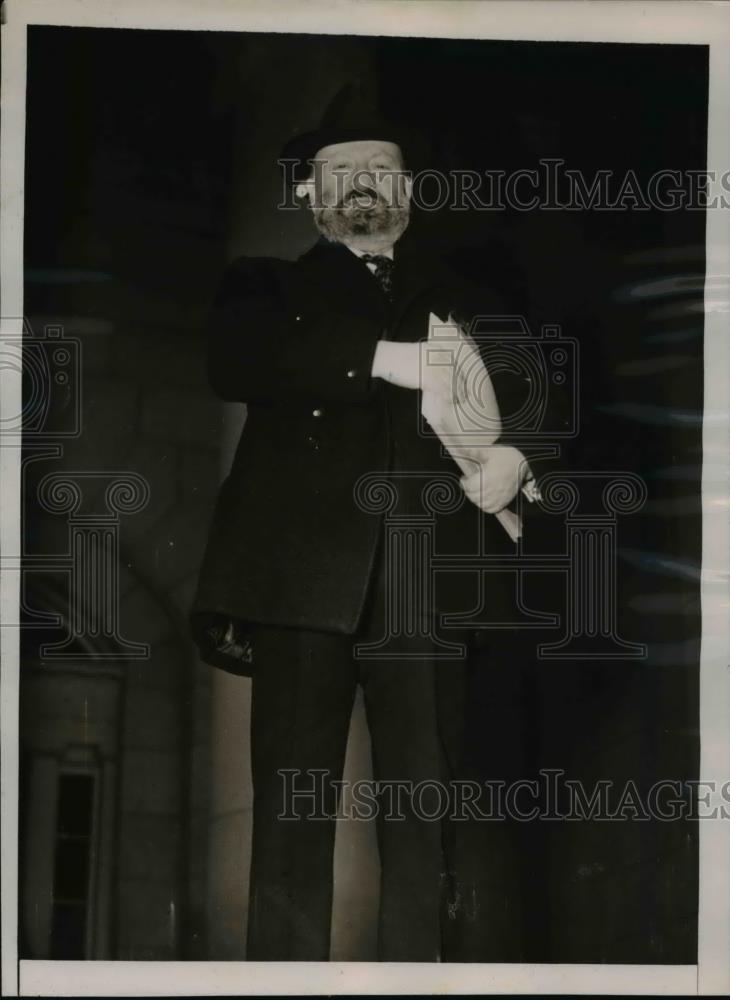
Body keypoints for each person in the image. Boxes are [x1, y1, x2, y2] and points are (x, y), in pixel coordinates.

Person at [190, 90, 542, 961]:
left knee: (428, 810)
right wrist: (383, 360)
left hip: (425, 584)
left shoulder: (472, 298)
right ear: (310, 195)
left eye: (379, 170)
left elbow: (540, 395)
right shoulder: (263, 286)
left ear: (409, 192)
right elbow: (236, 359)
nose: (360, 185)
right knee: (291, 810)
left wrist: (522, 457)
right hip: (301, 580)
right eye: (339, 171)